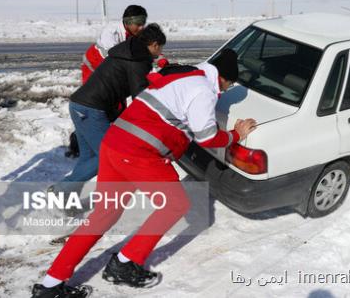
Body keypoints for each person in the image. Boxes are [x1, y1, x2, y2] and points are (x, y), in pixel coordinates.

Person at [32, 49, 256, 298]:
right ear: (224, 78)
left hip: (115, 143)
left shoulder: (185, 73)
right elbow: (207, 137)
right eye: (229, 85)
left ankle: (50, 285)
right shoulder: (203, 90)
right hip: (138, 153)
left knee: (103, 215)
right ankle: (125, 263)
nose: (226, 91)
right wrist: (236, 135)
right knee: (176, 204)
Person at [52, 24, 167, 198]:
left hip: (79, 104)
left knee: (88, 157)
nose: (160, 53)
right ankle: (61, 189)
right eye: (161, 48)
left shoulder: (127, 50)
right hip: (91, 109)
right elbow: (140, 96)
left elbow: (120, 83)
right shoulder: (138, 61)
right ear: (154, 45)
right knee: (107, 156)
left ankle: (67, 196)